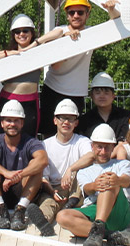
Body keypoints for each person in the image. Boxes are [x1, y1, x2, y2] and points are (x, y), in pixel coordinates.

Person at [54, 128, 130, 246]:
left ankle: (98, 228)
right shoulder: (83, 171)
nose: (103, 152)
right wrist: (94, 185)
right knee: (62, 216)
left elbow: (127, 180)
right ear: (92, 146)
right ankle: (111, 235)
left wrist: (117, 180)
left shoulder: (123, 164)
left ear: (113, 147)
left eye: (107, 147)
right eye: (99, 147)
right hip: (94, 207)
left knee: (108, 181)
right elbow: (86, 189)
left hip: (119, 211)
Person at [39, 0, 107, 140]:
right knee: (49, 136)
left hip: (76, 93)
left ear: (88, 14)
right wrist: (67, 44)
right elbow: (55, 66)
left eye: (80, 12)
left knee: (74, 137)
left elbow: (117, 24)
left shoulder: (91, 33)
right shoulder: (58, 33)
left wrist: (112, 9)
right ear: (67, 15)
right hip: (53, 91)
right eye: (72, 12)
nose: (76, 15)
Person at [0, 99, 49, 231]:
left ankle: (20, 210)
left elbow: (43, 160)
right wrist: (6, 173)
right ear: (2, 123)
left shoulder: (31, 142)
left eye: (16, 121)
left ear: (22, 123)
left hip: (23, 192)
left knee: (36, 166)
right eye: (9, 120)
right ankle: (0, 209)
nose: (12, 124)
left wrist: (18, 175)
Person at [32, 98, 89, 236]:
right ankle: (43, 222)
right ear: (55, 121)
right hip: (54, 189)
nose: (66, 122)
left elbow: (91, 156)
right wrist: (52, 192)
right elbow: (43, 177)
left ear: (76, 122)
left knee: (80, 171)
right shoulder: (45, 145)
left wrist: (70, 169)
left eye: (70, 119)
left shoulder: (82, 141)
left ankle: (72, 202)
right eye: (62, 118)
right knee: (48, 204)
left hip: (76, 189)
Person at [0, 13, 42, 137]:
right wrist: (6, 53)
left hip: (30, 103)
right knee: (3, 141)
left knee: (29, 141)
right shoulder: (9, 55)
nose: (21, 34)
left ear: (32, 32)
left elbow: (57, 33)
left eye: (25, 30)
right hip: (8, 100)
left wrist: (36, 43)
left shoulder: (40, 52)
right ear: (13, 35)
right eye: (17, 32)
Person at [80, 72, 125, 145]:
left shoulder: (124, 117)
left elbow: (123, 144)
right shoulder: (84, 121)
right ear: (91, 95)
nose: (102, 96)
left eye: (106, 93)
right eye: (98, 93)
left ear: (113, 95)